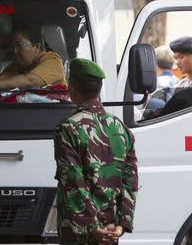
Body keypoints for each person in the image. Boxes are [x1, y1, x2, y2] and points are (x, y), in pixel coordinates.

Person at [54, 58, 138, 245]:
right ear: (99, 89)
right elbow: (130, 179)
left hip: (79, 232)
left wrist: (91, 227)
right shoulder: (120, 127)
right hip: (110, 229)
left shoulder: (69, 128)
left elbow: (73, 182)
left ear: (72, 89)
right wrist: (121, 224)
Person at [0, 27, 66, 92]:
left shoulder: (53, 60)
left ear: (37, 46)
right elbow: (0, 81)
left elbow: (30, 80)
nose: (15, 52)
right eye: (12, 48)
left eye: (19, 46)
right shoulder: (19, 64)